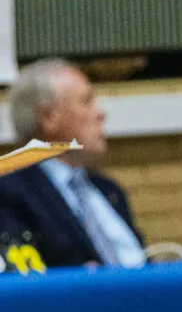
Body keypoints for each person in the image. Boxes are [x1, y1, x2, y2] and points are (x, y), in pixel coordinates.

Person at [0, 59, 146, 268]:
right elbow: (22, 274)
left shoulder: (109, 190)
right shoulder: (11, 195)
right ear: (48, 118)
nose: (101, 113)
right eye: (86, 101)